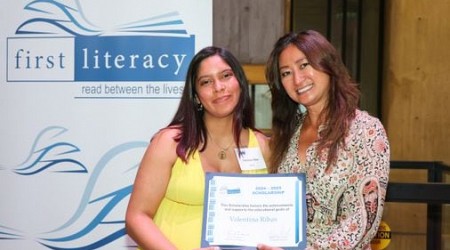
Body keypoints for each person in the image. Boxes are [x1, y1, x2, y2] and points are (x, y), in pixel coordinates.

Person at [125, 46, 271, 250]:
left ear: (239, 82)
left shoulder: (263, 146)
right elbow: (136, 217)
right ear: (196, 95)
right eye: (206, 82)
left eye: (226, 76)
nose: (219, 87)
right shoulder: (170, 143)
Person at [258, 30, 390, 250]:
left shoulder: (366, 130)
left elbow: (363, 221)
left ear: (328, 65)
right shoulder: (288, 133)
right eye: (286, 73)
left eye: (304, 65)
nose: (297, 80)